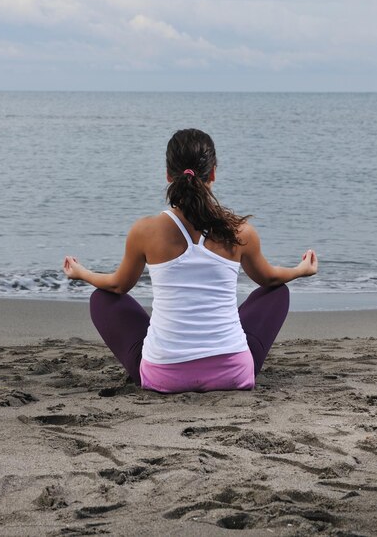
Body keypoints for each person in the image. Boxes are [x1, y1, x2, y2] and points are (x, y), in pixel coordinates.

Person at [63, 128, 318, 393]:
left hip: (164, 378)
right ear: (214, 173)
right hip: (233, 374)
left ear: (167, 175)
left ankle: (163, 364)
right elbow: (270, 278)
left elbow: (117, 286)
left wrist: (82, 273)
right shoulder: (240, 232)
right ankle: (224, 356)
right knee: (276, 292)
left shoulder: (145, 231)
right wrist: (301, 270)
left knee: (102, 298)